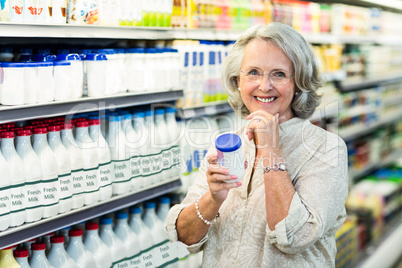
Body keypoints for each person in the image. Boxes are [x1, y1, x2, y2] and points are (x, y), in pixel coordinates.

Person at [166, 22, 348, 267]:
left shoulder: (326, 148)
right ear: (237, 81)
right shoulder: (227, 144)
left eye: (279, 74)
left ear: (299, 84)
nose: (264, 86)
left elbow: (296, 237)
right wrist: (213, 199)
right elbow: (185, 238)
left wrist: (271, 151)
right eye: (253, 72)